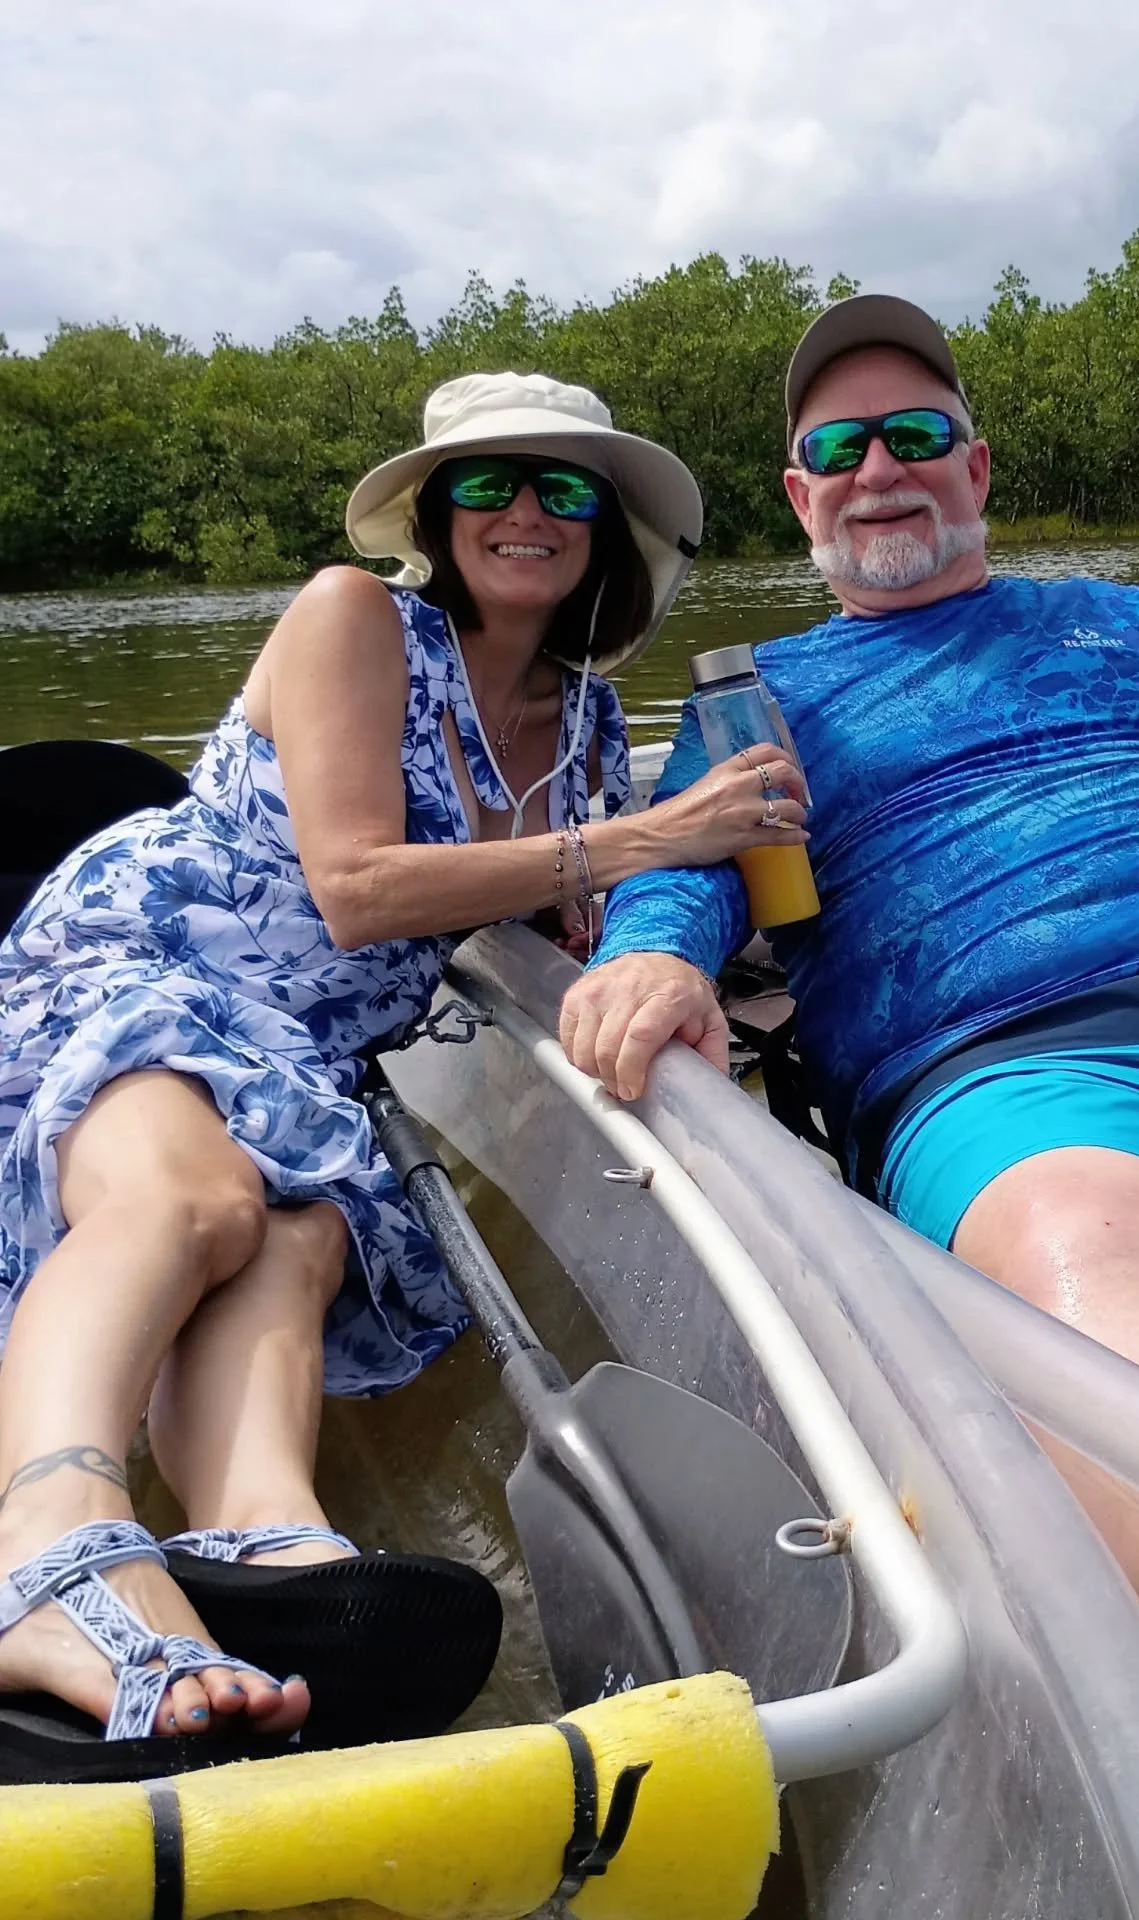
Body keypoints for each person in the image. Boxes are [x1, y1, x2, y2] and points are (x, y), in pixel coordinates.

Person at [559, 296, 1139, 1816]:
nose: (880, 467)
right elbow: (680, 875)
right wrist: (651, 952)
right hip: (1004, 1065)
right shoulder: (753, 703)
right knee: (1083, 1274)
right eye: (841, 445)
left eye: (916, 435)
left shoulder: (1124, 620)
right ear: (799, 494)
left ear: (976, 469)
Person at [0, 369, 806, 1777]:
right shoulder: (352, 616)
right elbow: (363, 887)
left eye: (567, 489)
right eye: (489, 483)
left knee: (304, 1239)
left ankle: (262, 1543)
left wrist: (663, 948)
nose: (527, 512)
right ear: (436, 513)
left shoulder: (596, 727)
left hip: (307, 1052)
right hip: (149, 961)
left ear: (605, 533)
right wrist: (636, 845)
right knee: (199, 1205)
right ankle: (47, 1543)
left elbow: (558, 899)